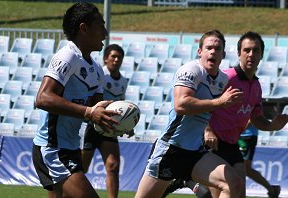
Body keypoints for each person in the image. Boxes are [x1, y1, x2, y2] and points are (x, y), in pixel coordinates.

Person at [162, 31, 288, 198]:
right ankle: (189, 181)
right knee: (220, 192)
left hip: (231, 144)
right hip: (211, 143)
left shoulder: (256, 86)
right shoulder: (227, 78)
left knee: (238, 192)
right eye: (247, 50)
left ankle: (187, 182)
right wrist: (208, 130)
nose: (251, 54)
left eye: (255, 50)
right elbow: (202, 102)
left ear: (262, 54)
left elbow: (257, 118)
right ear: (238, 53)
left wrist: (273, 125)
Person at [135, 29, 245, 198]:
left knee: (233, 182)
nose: (213, 51)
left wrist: (210, 128)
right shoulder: (191, 70)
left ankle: (184, 180)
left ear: (223, 54)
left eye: (217, 49)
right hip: (171, 150)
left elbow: (207, 109)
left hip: (194, 152)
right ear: (200, 52)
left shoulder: (222, 80)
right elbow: (181, 104)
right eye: (209, 48)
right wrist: (220, 102)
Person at [31, 3, 119, 198]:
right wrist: (88, 112)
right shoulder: (67, 56)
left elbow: (97, 109)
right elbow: (43, 98)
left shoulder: (96, 69)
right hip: (52, 149)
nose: (105, 32)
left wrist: (119, 121)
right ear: (84, 28)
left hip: (71, 149)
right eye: (101, 25)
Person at [81, 44, 130, 198]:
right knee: (82, 169)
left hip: (110, 128)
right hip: (91, 126)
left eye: (119, 57)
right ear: (105, 59)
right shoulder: (99, 74)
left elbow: (122, 105)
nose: (116, 60)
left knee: (113, 165)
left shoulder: (123, 81)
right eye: (113, 56)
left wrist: (126, 123)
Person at [238, 122, 281, 198]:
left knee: (244, 168)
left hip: (246, 136)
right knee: (243, 169)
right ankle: (272, 189)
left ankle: (272, 190)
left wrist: (238, 130)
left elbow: (251, 118)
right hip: (235, 136)